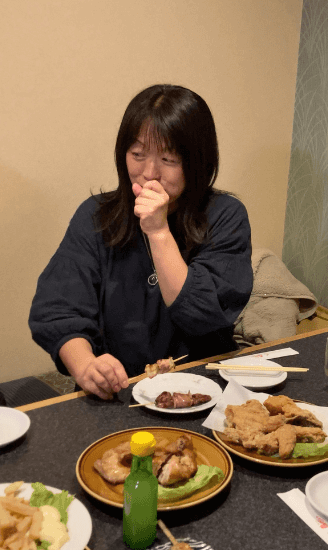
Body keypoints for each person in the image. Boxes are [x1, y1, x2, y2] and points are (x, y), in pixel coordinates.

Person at [29, 84, 252, 399]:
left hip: (202, 392)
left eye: (168, 159)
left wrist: (158, 231)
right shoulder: (95, 215)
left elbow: (204, 314)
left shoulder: (226, 216)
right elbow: (57, 309)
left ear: (197, 161)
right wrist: (86, 367)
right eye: (137, 154)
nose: (149, 172)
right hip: (117, 393)